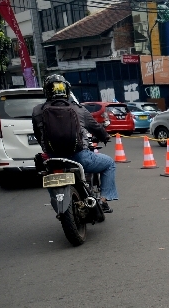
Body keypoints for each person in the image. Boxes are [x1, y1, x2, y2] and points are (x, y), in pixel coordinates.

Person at [32, 74, 118, 212]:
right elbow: (95, 127)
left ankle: (58, 202)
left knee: (48, 177)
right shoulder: (78, 109)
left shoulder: (37, 111)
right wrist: (105, 136)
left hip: (53, 159)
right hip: (79, 157)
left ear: (47, 91)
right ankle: (103, 201)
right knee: (109, 163)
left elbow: (38, 134)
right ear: (67, 90)